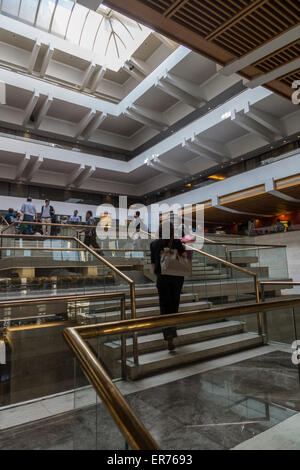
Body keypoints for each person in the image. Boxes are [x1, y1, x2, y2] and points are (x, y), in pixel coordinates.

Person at [150, 222, 186, 352]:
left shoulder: (154, 244)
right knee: (174, 306)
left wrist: (158, 274)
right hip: (176, 278)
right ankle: (172, 331)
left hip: (163, 279)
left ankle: (168, 335)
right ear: (172, 231)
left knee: (164, 307)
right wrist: (174, 253)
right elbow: (184, 257)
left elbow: (153, 263)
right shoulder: (176, 242)